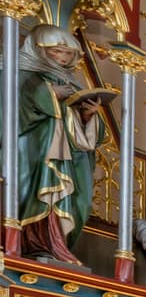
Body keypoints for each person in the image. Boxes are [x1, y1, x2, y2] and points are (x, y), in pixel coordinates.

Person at [17, 25, 113, 266]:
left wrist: (87, 115)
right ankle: (29, 244)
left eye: (69, 54)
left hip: (67, 157)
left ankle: (56, 245)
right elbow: (13, 111)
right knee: (35, 193)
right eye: (57, 52)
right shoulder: (21, 74)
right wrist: (49, 94)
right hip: (35, 152)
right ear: (38, 49)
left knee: (71, 199)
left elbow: (90, 138)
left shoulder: (72, 82)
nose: (63, 58)